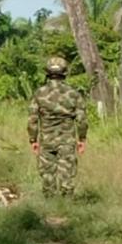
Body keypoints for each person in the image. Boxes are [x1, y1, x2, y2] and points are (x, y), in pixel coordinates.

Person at [28, 56, 88, 198]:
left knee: (47, 173)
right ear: (64, 72)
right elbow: (82, 120)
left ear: (47, 72)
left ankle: (49, 201)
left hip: (46, 140)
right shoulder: (73, 94)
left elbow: (32, 120)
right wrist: (82, 139)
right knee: (67, 173)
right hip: (67, 140)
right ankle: (66, 202)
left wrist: (33, 140)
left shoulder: (39, 93)